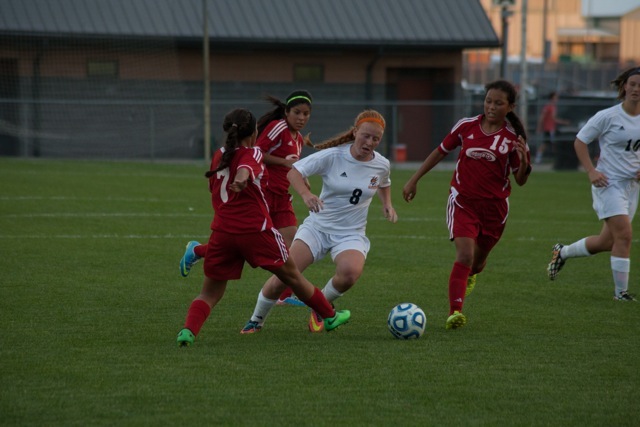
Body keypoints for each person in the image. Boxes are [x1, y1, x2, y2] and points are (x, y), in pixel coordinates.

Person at [176, 108, 350, 347]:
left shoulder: (218, 155)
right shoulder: (254, 152)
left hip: (222, 233)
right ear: (254, 131)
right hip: (256, 232)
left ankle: (188, 331)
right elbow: (246, 167)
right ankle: (330, 317)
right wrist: (242, 179)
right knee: (293, 276)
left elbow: (218, 186)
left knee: (209, 293)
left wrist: (239, 180)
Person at [240, 109, 398, 334]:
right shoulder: (333, 156)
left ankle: (320, 306)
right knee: (283, 277)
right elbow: (293, 172)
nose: (369, 142)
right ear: (355, 133)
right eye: (365, 135)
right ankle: (256, 320)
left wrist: (387, 204)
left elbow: (384, 182)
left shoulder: (381, 164)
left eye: (376, 139)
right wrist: (306, 195)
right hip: (317, 228)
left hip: (350, 233)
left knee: (350, 273)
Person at [402, 80, 531, 330]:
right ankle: (455, 312)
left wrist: (524, 161)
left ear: (510, 107)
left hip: (495, 210)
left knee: (478, 262)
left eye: (498, 103)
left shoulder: (513, 139)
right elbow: (440, 151)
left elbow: (521, 180)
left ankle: (471, 274)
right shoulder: (466, 126)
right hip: (462, 201)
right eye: (488, 101)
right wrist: (413, 179)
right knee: (465, 254)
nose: (491, 106)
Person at [178, 91, 313, 281]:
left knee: (291, 243)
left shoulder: (298, 139)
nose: (301, 118)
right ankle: (198, 250)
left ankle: (284, 295)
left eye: (306, 114)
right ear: (286, 112)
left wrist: (301, 174)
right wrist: (284, 162)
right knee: (250, 244)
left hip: (281, 196)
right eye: (297, 113)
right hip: (264, 194)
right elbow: (256, 152)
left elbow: (292, 166)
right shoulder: (278, 127)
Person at [547, 67, 640, 301]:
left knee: (607, 241)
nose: (636, 89)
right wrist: (591, 171)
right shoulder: (608, 116)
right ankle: (621, 294)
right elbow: (580, 141)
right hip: (607, 183)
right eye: (633, 84)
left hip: (631, 187)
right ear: (624, 87)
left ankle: (563, 252)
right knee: (625, 236)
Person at [534, 91, 569, 164]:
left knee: (549, 144)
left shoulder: (549, 106)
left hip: (551, 128)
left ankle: (556, 159)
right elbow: (551, 118)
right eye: (555, 97)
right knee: (548, 144)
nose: (557, 99)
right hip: (549, 129)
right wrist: (563, 122)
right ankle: (558, 159)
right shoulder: (550, 107)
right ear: (552, 98)